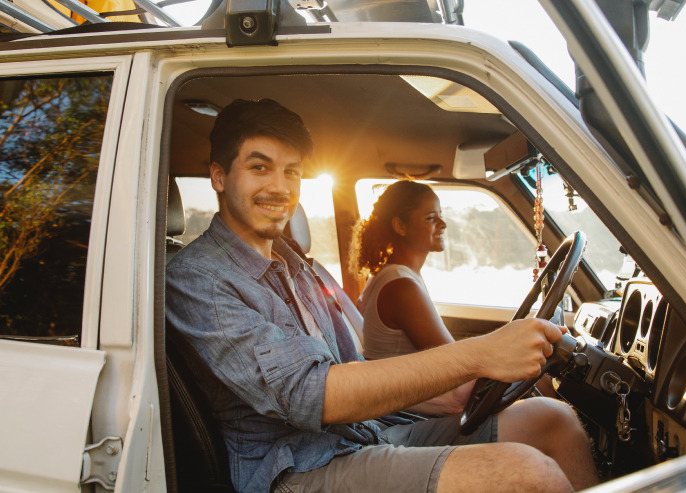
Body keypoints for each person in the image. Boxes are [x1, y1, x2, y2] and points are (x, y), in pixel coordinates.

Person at [166, 98, 598, 493]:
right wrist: (479, 354)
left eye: (292, 171)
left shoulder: (295, 264)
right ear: (219, 176)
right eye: (260, 168)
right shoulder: (197, 278)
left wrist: (450, 391)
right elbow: (311, 393)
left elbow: (350, 368)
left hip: (361, 432)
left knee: (552, 420)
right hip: (295, 468)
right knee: (527, 474)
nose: (281, 187)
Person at [351, 180, 472, 416]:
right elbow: (455, 363)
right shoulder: (401, 287)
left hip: (408, 401)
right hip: (404, 413)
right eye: (430, 218)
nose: (442, 223)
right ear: (400, 226)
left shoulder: (397, 276)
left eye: (440, 215)